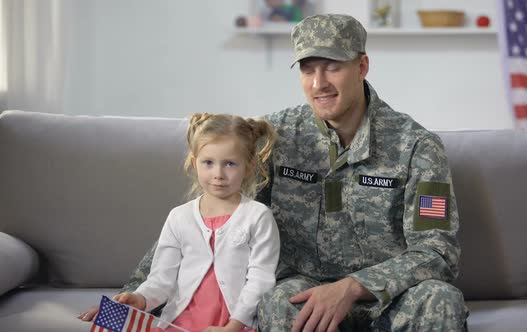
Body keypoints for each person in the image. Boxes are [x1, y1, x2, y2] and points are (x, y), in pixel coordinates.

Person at [80, 14, 468, 331]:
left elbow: (437, 250)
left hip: (389, 297)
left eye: (332, 66)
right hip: (304, 294)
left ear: (362, 66)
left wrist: (353, 287)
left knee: (441, 299)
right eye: (307, 69)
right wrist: (135, 294)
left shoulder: (416, 146)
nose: (319, 83)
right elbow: (211, 211)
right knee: (277, 301)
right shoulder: (273, 137)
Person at [95, 113, 280, 332]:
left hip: (235, 325)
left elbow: (260, 280)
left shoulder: (258, 217)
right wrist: (141, 298)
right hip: (181, 322)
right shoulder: (179, 217)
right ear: (195, 163)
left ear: (248, 167)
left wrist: (235, 325)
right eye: (208, 163)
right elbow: (162, 278)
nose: (218, 174)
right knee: (110, 324)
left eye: (230, 163)